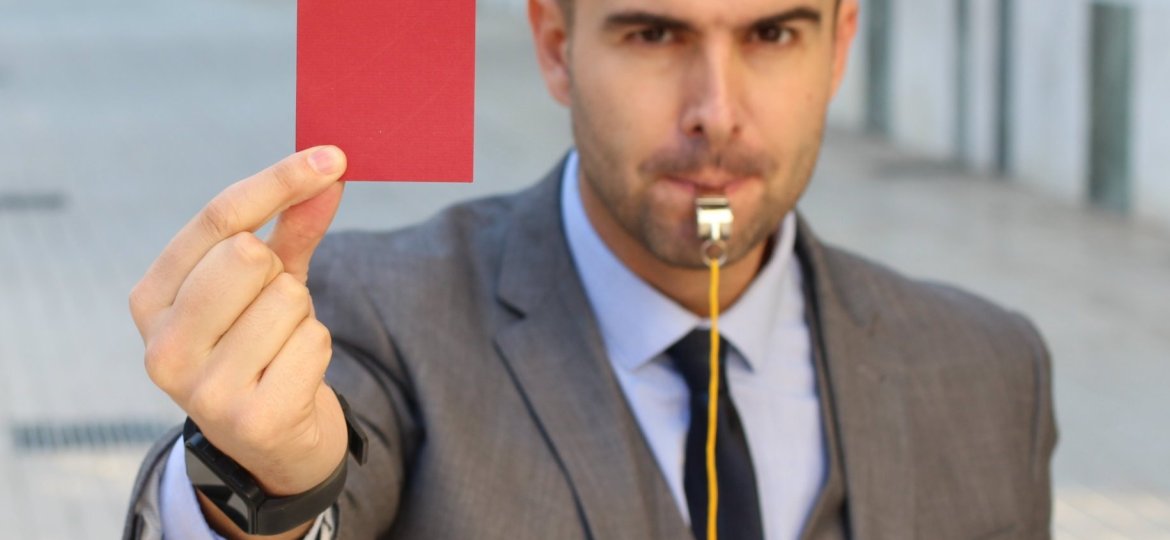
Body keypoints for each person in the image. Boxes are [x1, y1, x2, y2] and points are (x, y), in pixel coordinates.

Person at [122, 0, 1058, 538]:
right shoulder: (375, 311)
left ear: (840, 44)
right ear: (558, 49)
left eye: (773, 34)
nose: (717, 111)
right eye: (655, 34)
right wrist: (260, 477)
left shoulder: (990, 371)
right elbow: (309, 477)